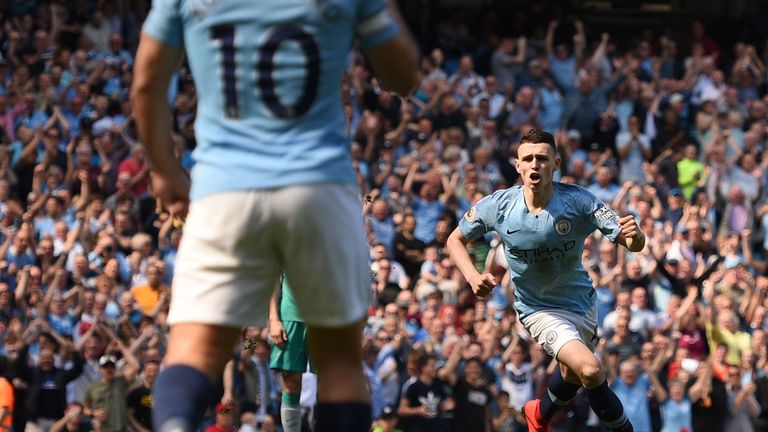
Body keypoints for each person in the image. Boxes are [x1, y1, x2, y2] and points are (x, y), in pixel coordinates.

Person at [131, 0, 420, 431]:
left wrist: (164, 171)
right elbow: (402, 76)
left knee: (193, 349)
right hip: (318, 187)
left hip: (224, 189)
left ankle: (173, 425)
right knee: (338, 361)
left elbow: (146, 84)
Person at [446, 129, 645, 432]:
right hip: (538, 309)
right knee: (591, 370)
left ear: (556, 163)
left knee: (572, 374)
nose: (535, 164)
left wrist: (637, 237)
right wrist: (472, 276)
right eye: (528, 159)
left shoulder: (578, 201)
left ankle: (539, 414)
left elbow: (630, 242)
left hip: (581, 302)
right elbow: (455, 239)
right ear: (518, 165)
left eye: (542, 158)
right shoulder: (499, 206)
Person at [268, 276, 312, 432]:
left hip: (328, 315)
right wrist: (273, 319)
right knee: (291, 384)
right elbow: (272, 272)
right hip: (291, 315)